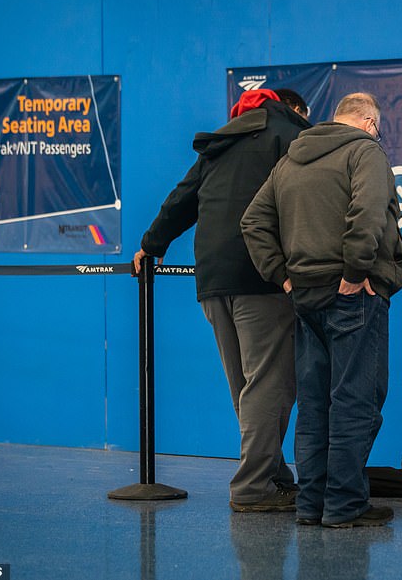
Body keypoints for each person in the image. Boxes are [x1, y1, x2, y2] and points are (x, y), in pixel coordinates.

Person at [133, 88, 311, 512]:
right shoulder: (291, 135)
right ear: (295, 109)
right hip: (262, 276)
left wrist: (151, 244)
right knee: (270, 384)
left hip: (212, 277)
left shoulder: (221, 142)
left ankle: (272, 473)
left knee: (246, 387)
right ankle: (252, 488)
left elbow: (183, 197)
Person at [241, 92, 402, 528]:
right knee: (356, 401)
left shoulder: (292, 161)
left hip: (306, 297)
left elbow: (253, 221)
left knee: (315, 405)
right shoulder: (364, 152)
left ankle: (310, 504)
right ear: (369, 122)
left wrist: (282, 275)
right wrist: (356, 272)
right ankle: (344, 504)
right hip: (352, 295)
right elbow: (369, 212)